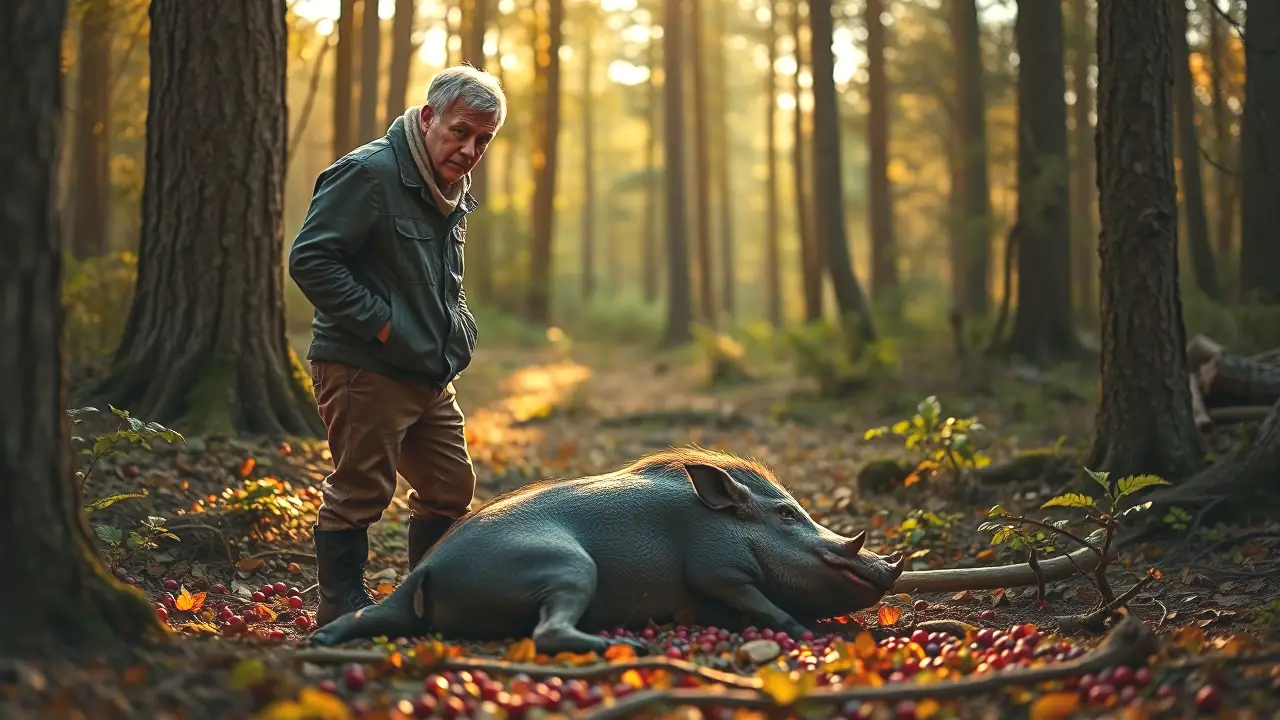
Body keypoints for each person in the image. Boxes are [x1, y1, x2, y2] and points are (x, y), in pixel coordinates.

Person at [288, 65, 505, 628]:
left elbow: (439, 279)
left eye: (483, 139)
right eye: (461, 132)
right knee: (361, 490)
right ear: (428, 117)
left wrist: (458, 330)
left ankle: (422, 600)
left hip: (428, 370)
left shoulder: (450, 186)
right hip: (364, 365)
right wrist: (382, 326)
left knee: (450, 488)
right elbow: (311, 260)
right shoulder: (368, 174)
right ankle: (340, 606)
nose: (470, 149)